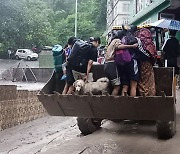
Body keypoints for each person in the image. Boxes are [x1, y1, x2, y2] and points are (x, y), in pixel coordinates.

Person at [104, 30, 138, 96]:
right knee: (117, 86)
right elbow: (119, 47)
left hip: (107, 64)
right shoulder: (117, 40)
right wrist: (132, 46)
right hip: (111, 64)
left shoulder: (111, 41)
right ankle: (112, 102)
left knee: (123, 86)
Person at [135, 27, 157, 96]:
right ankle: (149, 97)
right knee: (149, 82)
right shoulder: (149, 44)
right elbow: (153, 55)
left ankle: (142, 96)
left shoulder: (137, 41)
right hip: (147, 64)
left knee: (141, 82)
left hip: (139, 64)